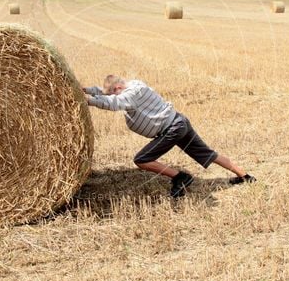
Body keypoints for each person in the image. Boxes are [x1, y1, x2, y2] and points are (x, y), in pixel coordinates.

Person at [83, 75, 255, 198]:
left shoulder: (132, 94)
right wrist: (85, 91)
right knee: (208, 153)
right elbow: (107, 93)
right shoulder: (133, 84)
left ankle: (180, 177)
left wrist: (89, 101)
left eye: (115, 92)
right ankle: (245, 176)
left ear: (118, 88)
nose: (114, 95)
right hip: (179, 121)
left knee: (142, 159)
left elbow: (114, 102)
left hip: (171, 129)